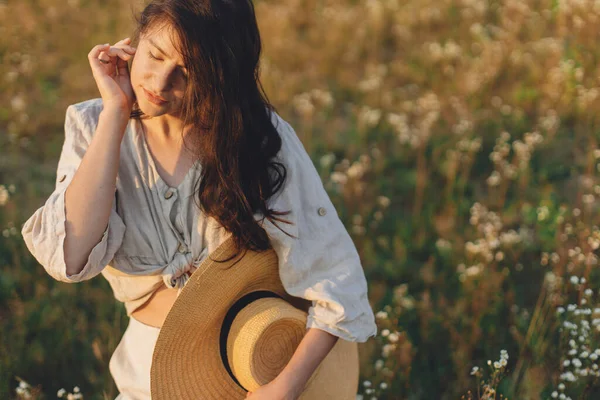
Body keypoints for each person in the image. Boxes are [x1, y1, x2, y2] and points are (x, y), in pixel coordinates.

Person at [21, 0, 377, 399]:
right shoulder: (95, 124)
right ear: (135, 41)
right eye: (154, 55)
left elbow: (336, 280)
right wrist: (115, 114)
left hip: (259, 379)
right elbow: (69, 256)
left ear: (223, 76)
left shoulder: (259, 139)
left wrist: (284, 388)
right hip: (147, 377)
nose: (159, 82)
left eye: (188, 73)